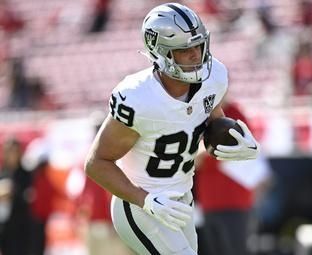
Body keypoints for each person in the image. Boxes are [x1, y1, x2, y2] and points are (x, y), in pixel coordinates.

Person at [84, 3, 259, 255]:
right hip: (140, 206)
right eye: (186, 50)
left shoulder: (213, 78)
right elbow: (96, 162)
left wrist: (233, 140)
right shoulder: (139, 97)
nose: (196, 55)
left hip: (180, 201)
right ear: (161, 52)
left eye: (199, 46)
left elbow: (211, 120)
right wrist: (144, 199)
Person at [194, 102, 271, 255]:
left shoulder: (233, 112)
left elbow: (228, 150)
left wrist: (200, 152)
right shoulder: (199, 113)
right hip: (209, 203)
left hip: (234, 202)